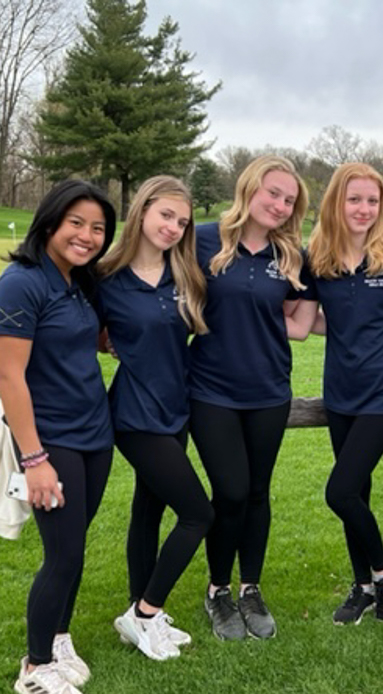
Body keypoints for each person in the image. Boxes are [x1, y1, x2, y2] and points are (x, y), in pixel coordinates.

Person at [0, 179, 116, 694]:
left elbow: (97, 344)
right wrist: (34, 459)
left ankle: (60, 636)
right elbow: (8, 377)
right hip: (50, 440)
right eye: (76, 223)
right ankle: (35, 668)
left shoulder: (79, 282)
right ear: (51, 221)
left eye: (99, 228)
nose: (87, 236)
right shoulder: (21, 283)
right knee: (61, 555)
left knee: (76, 544)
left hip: (94, 434)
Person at [189, 155, 315, 640]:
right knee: (231, 491)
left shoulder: (290, 256)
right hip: (211, 389)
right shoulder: (202, 238)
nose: (281, 205)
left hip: (268, 390)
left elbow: (297, 323)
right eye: (273, 193)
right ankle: (218, 589)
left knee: (258, 492)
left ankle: (249, 588)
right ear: (249, 189)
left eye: (289, 199)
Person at [94, 176, 214, 661]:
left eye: (182, 221)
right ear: (142, 211)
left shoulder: (183, 275)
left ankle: (139, 614)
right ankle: (145, 612)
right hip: (135, 414)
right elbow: (84, 334)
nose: (173, 227)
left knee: (149, 510)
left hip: (176, 407)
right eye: (166, 215)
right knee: (198, 513)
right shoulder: (104, 277)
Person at [298, 162, 383, 625]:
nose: (364, 209)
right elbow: (314, 320)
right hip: (340, 393)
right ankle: (364, 586)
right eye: (355, 199)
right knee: (358, 494)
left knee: (340, 491)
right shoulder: (318, 258)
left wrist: (372, 337)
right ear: (336, 202)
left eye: (372, 201)